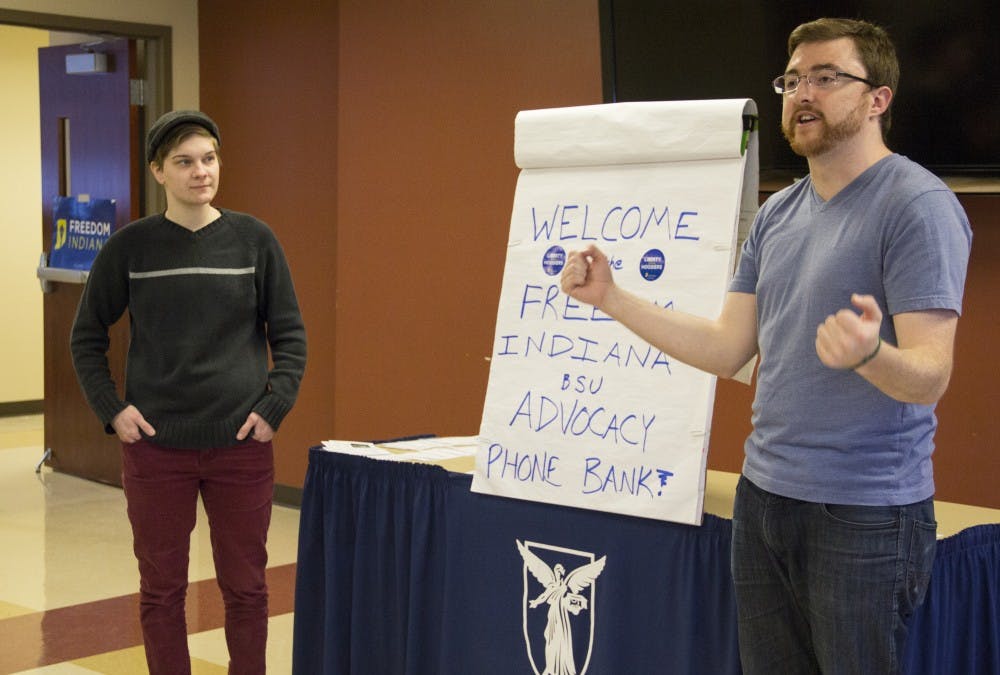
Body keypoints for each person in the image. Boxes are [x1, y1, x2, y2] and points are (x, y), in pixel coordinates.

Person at [560, 18, 971, 675]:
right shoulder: (779, 214)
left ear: (878, 99)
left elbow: (929, 375)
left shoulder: (915, 206)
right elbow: (727, 348)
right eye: (793, 79)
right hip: (765, 501)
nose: (802, 92)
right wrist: (612, 298)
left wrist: (871, 353)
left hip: (864, 513)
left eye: (826, 77)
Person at [70, 110, 307, 675]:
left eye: (209, 158)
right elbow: (86, 336)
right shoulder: (131, 249)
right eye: (184, 162)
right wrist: (113, 410)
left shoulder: (255, 241)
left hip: (241, 447)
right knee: (161, 590)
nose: (201, 172)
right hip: (155, 449)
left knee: (247, 589)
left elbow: (291, 334)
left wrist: (274, 405)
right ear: (158, 171)